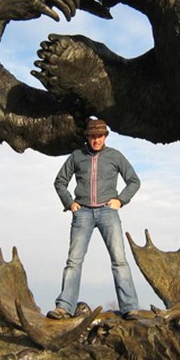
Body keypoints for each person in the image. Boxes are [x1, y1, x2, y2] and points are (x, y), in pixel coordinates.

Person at [48, 118, 141, 319]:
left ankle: (130, 308)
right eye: (92, 136)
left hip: (108, 211)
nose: (96, 140)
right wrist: (69, 203)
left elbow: (134, 181)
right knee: (74, 261)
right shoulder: (77, 156)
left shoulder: (115, 156)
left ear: (105, 136)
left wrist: (120, 200)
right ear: (87, 137)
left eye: (100, 136)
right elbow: (60, 182)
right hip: (82, 213)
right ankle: (64, 307)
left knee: (119, 260)